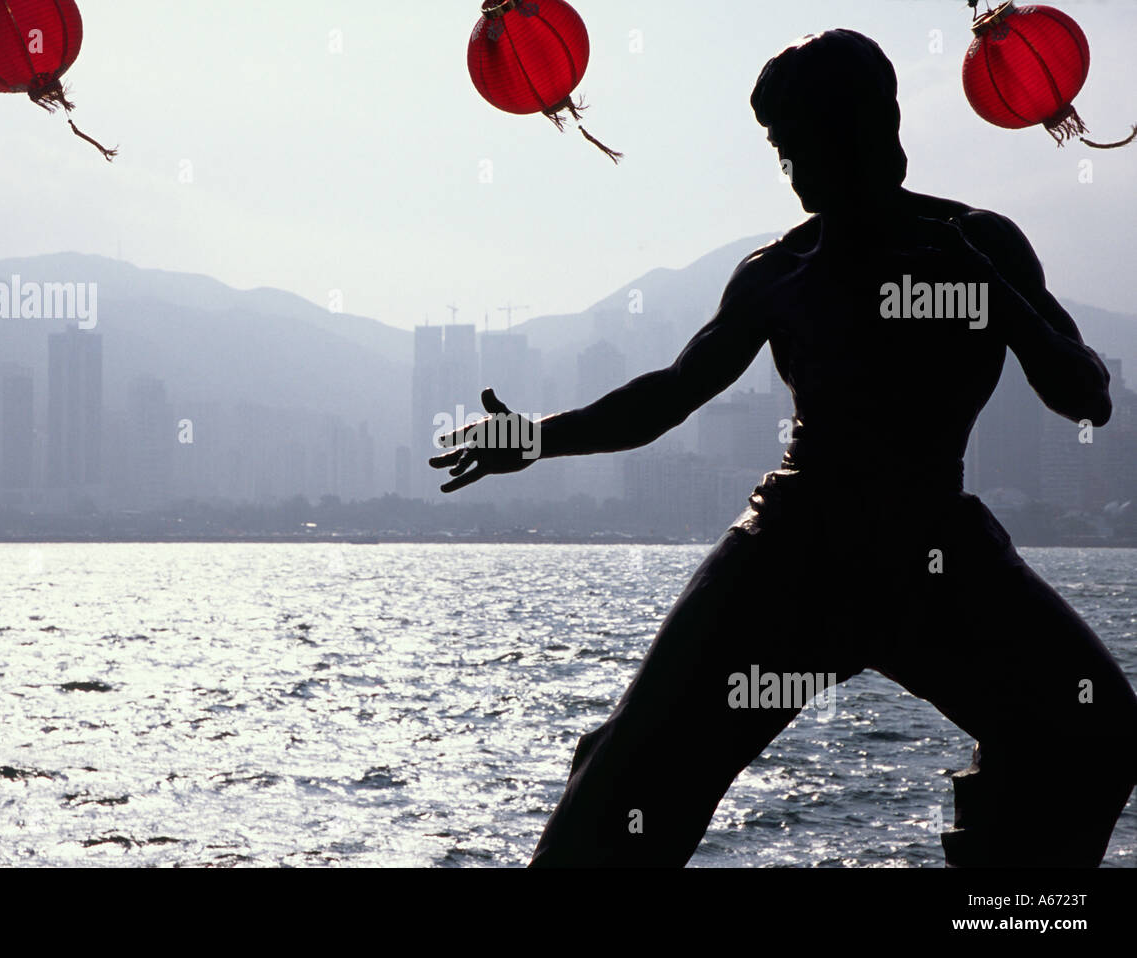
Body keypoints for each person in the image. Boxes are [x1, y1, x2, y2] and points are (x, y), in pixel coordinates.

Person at [429, 29, 1137, 867]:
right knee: (628, 780)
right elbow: (667, 395)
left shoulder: (984, 245)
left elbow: (1085, 395)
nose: (798, 170)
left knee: (1096, 733)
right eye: (783, 151)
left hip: (932, 549)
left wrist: (999, 299)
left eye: (812, 142)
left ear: (884, 124)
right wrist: (537, 440)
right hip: (790, 552)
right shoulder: (779, 274)